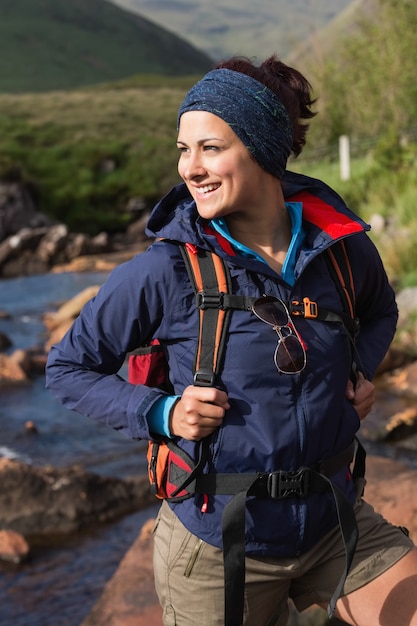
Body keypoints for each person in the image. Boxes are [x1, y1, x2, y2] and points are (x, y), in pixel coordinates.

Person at [45, 55, 417, 626]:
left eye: (210, 148)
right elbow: (67, 368)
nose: (190, 168)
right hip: (217, 543)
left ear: (262, 149)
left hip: (332, 520)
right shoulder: (163, 271)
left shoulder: (340, 249)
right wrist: (162, 411)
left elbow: (381, 310)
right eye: (183, 149)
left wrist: (359, 370)